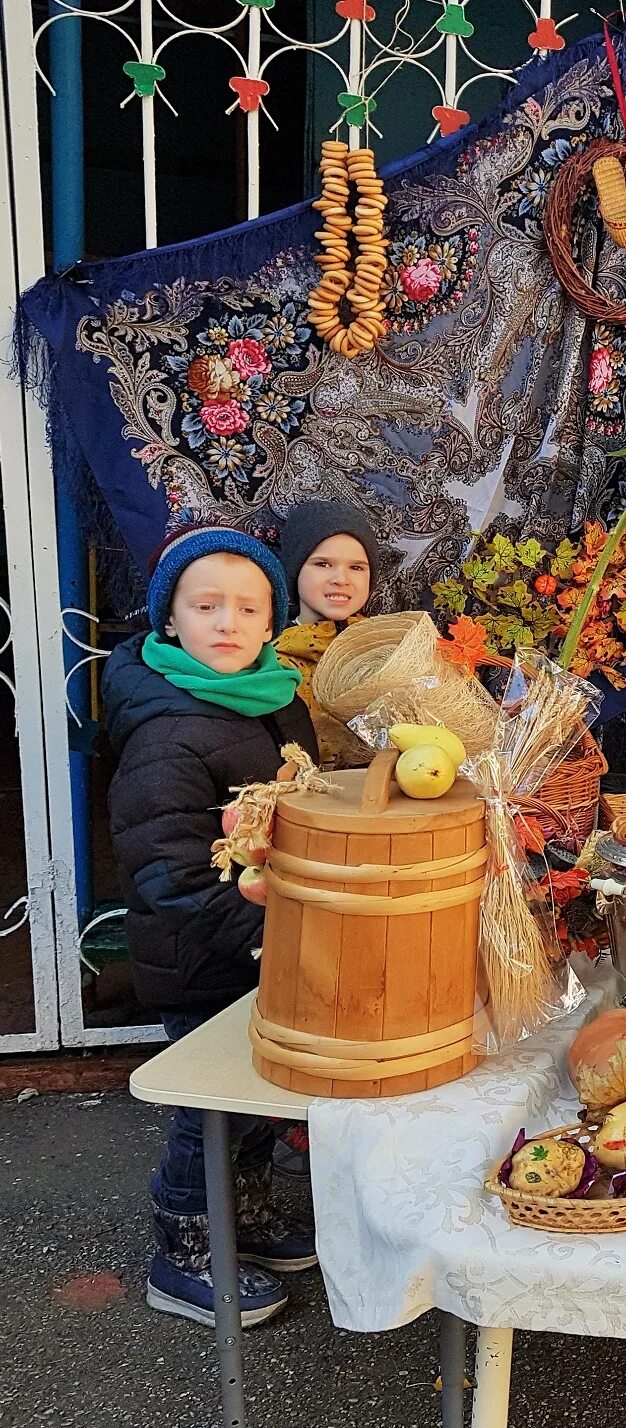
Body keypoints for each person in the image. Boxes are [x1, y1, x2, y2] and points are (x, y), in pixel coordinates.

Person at [103, 526, 320, 1329]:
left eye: (246, 607)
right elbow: (170, 872)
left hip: (259, 943)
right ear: (171, 622)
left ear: (271, 625)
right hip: (203, 952)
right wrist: (265, 937)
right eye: (205, 606)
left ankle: (249, 1215)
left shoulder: (276, 697)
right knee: (208, 1109)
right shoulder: (168, 727)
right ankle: (183, 1244)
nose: (226, 623)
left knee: (258, 1097)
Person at [274, 500, 381, 766]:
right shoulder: (271, 661)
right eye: (322, 564)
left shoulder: (384, 649)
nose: (341, 579)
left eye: (356, 567)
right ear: (295, 571)